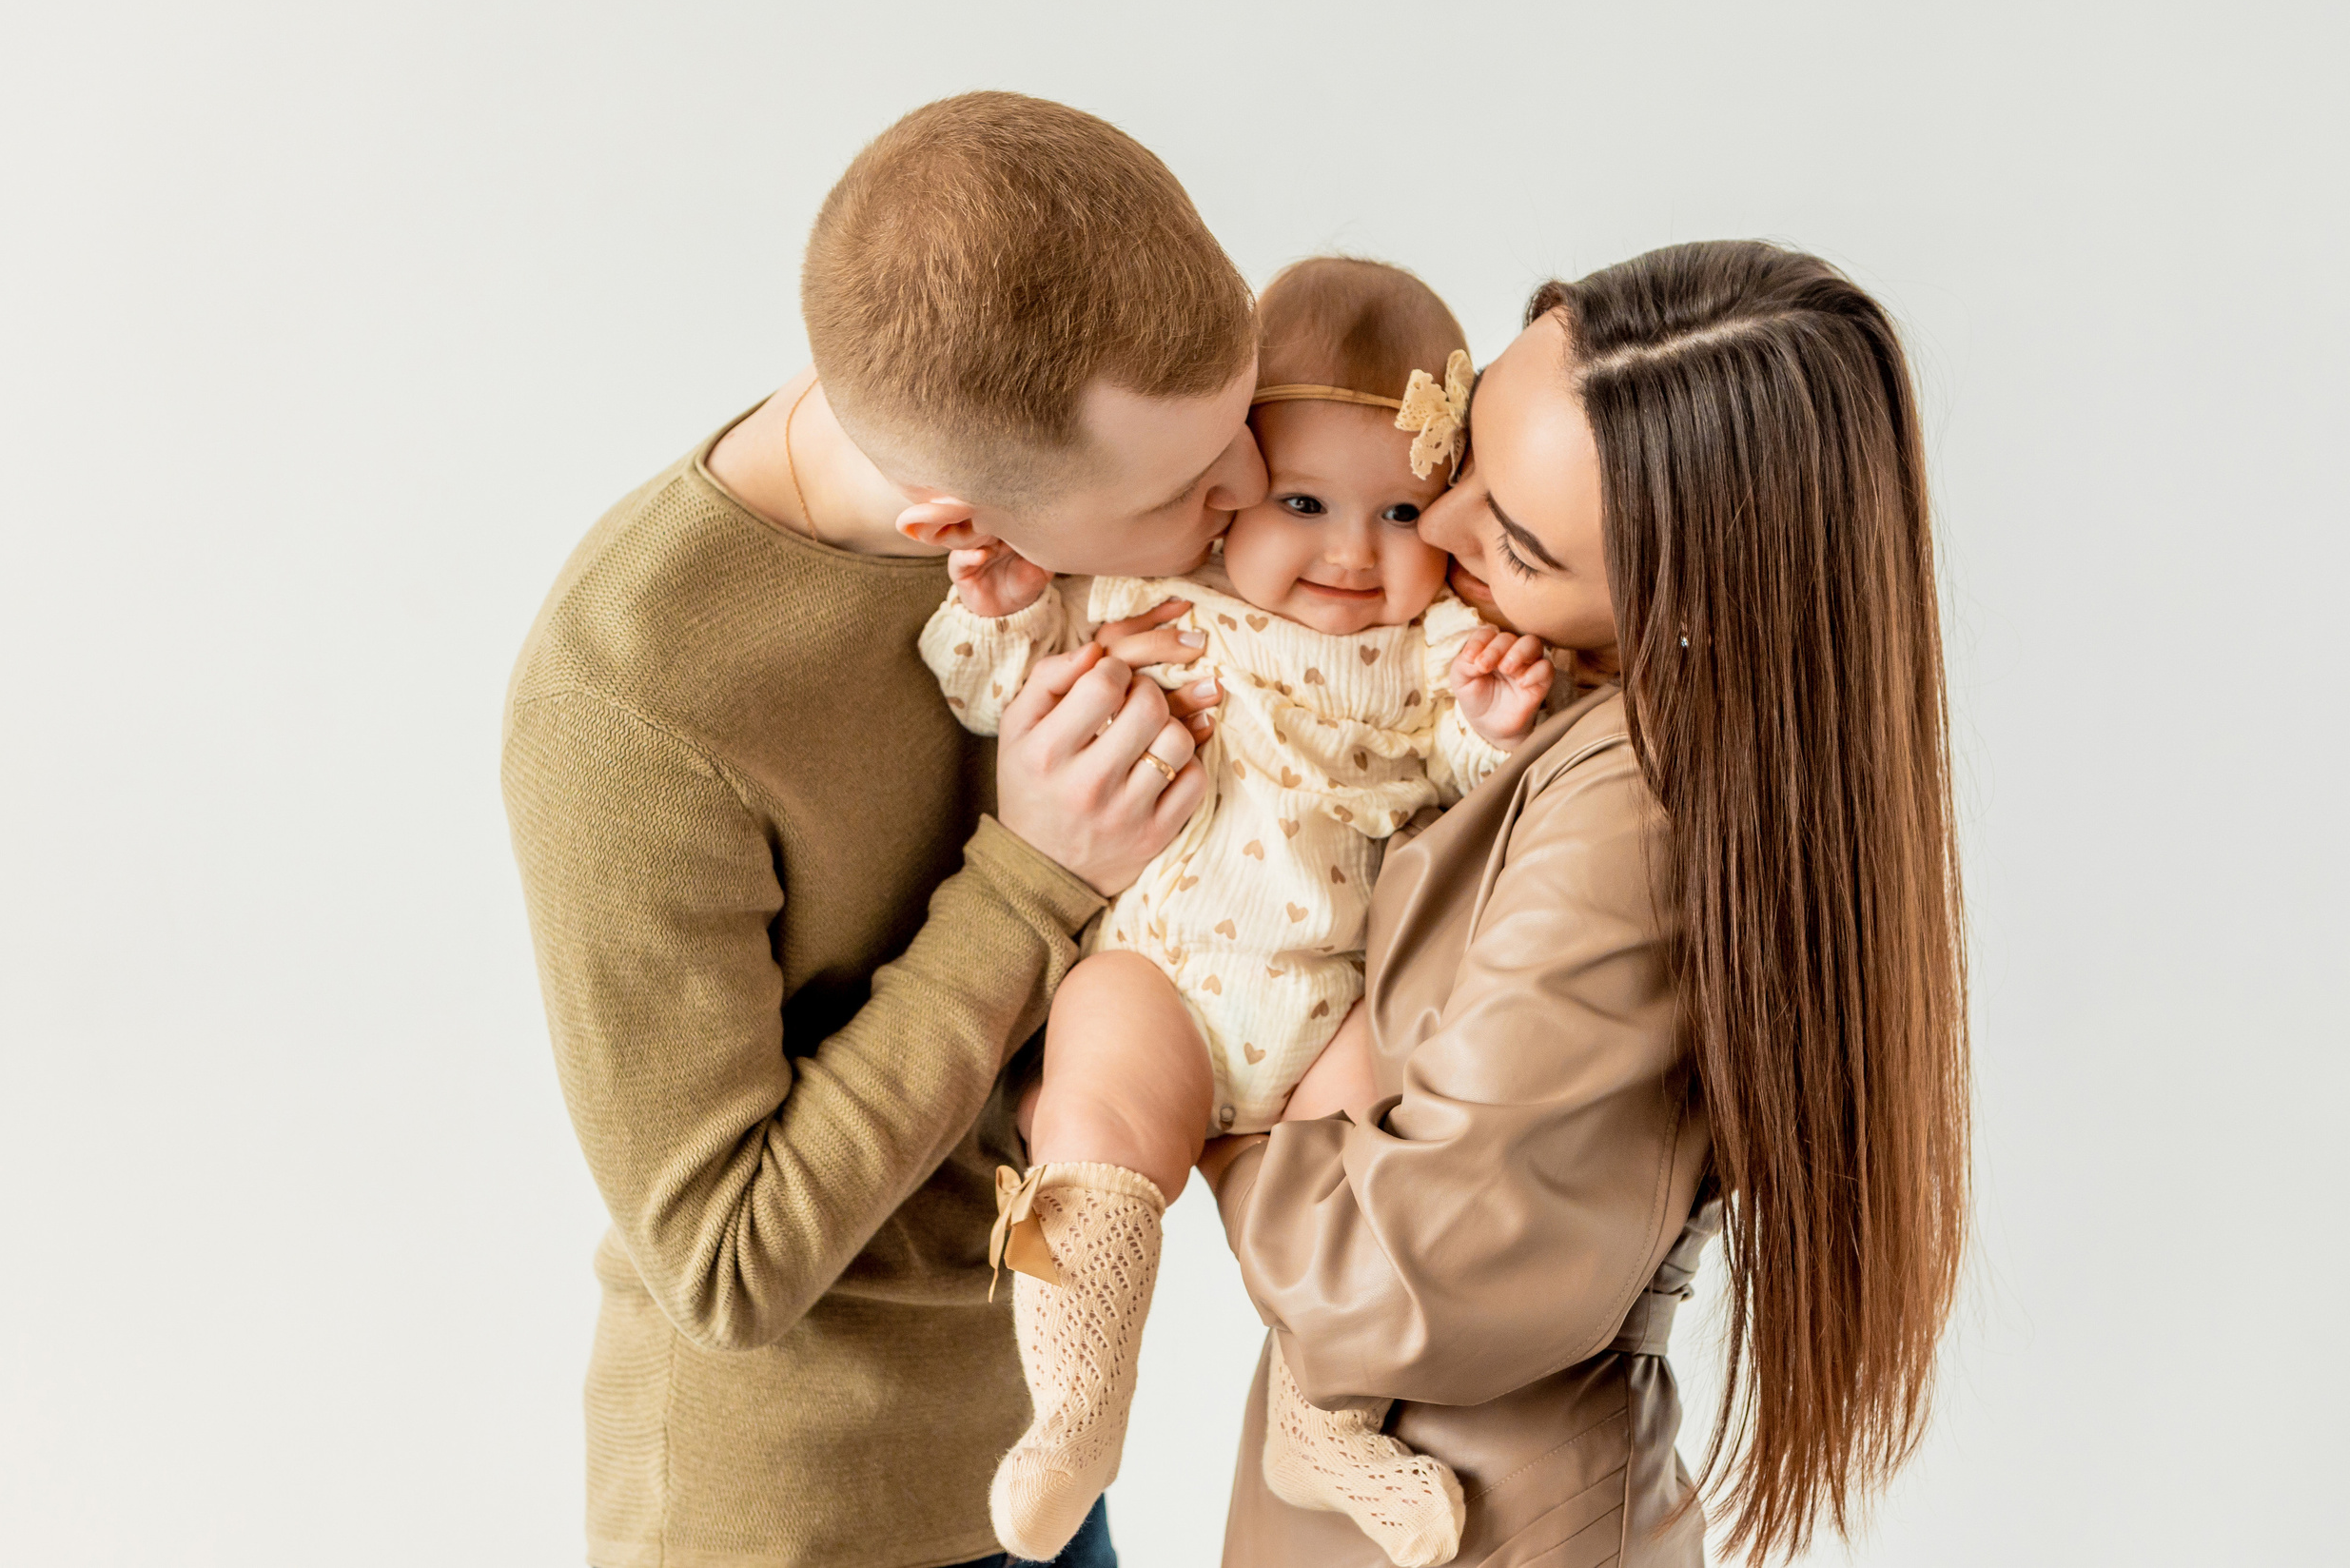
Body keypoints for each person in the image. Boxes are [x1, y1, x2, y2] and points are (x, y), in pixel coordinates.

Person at [500, 91, 1267, 1568]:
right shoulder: (629, 703)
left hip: (1036, 1446)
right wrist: (1031, 877)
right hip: (793, 1515)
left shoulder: (1062, 517)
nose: (1243, 501)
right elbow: (722, 1266)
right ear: (959, 532)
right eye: (1186, 490)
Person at [1200, 240, 1971, 1567]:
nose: (1432, 530)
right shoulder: (1542, 704)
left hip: (1482, 1519)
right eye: (1470, 460)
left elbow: (1404, 1271)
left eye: (1509, 537)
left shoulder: (1633, 808)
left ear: (1684, 602)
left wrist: (1172, 1083)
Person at [920, 258, 1553, 1562]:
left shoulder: (1432, 653)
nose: (1349, 551)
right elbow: (998, 692)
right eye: (1305, 500)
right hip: (1166, 977)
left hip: (1330, 1005)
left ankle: (1326, 1419)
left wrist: (1495, 727)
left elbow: (1488, 793)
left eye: (1400, 514)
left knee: (1384, 1167)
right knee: (1096, 1096)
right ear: (1228, 492)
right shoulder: (1154, 598)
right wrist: (1004, 603)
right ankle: (1079, 1405)